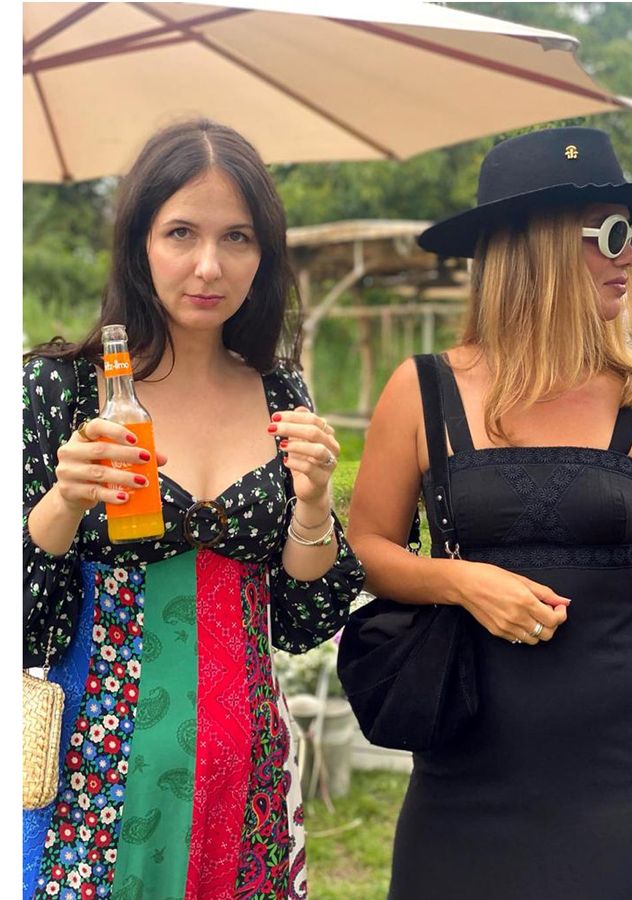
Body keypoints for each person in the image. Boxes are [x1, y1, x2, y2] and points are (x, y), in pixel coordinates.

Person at [347, 127, 632, 899]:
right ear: (534, 245)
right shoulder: (424, 389)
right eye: (612, 234)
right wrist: (462, 582)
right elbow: (365, 547)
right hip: (468, 769)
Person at [23, 119, 365, 900]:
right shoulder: (63, 390)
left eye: (237, 237)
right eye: (181, 231)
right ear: (140, 241)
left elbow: (302, 610)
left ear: (263, 253)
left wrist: (313, 504)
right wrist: (64, 502)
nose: (209, 265)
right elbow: (25, 617)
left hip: (247, 773)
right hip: (98, 770)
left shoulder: (281, 390)